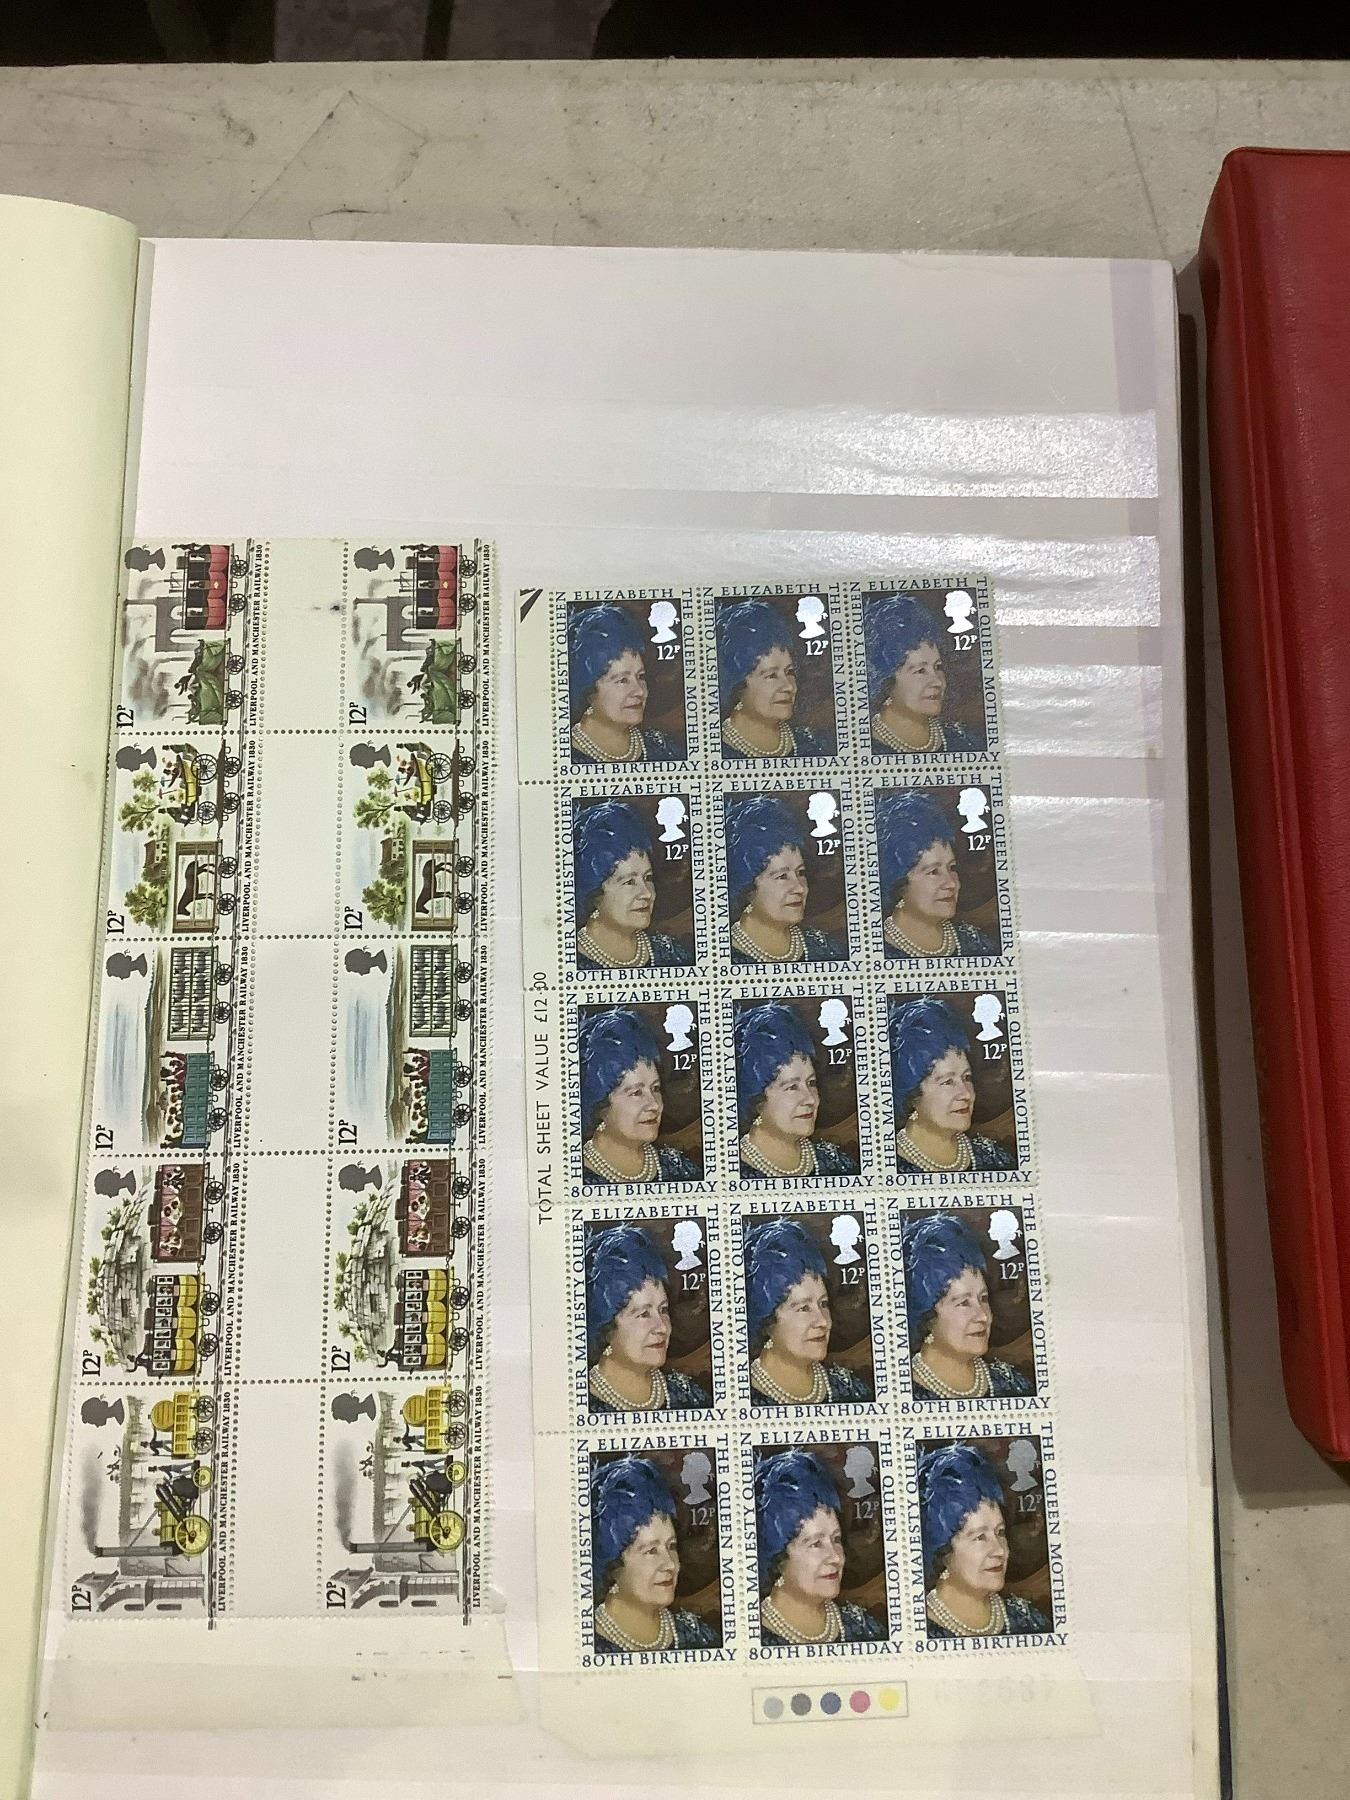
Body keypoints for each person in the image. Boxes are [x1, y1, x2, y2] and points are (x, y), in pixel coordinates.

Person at [917, 1443, 1050, 1639]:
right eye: (980, 1537)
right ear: (943, 1551)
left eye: (1000, 1532)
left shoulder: (1028, 1619)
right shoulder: (917, 1631)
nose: (1000, 1551)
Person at [753, 1449, 885, 1645]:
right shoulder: (750, 1640)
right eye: (816, 1544)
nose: (836, 1558)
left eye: (836, 1539)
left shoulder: (864, 1627)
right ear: (777, 1557)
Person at [591, 1456, 720, 1653]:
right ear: (613, 1563)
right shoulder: (586, 1645)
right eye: (652, 1551)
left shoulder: (698, 1635)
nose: (671, 1565)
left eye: (672, 1546)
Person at [902, 1213, 1032, 1400]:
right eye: (964, 1303)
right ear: (928, 1316)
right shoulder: (903, 1392)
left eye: (983, 1298)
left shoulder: (1011, 1383)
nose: (983, 1316)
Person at [745, 1217, 872, 1404]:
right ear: (767, 1320)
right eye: (804, 1308)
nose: (823, 1321)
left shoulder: (850, 1389)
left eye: (823, 1304)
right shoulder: (741, 1397)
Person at [585, 1223, 710, 1411]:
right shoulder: (578, 1404)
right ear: (607, 1327)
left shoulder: (690, 1395)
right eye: (644, 1314)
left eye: (663, 1310)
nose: (662, 1328)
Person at [889, 997, 1015, 1175]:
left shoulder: (994, 1158)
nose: (966, 1094)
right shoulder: (889, 1166)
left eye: (967, 1077)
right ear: (912, 1093)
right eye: (948, 1082)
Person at [735, 1002, 859, 1179]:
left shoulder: (837, 1163)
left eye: (812, 1083)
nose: (811, 1099)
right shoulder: (732, 1170)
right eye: (792, 1087)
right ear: (757, 1098)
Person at [579, 1009, 700, 1185]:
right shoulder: (575, 1176)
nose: (654, 1105)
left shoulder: (679, 1168)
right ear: (601, 1104)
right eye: (636, 1093)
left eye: (655, 1088)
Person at [875, 790, 996, 961]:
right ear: (899, 881)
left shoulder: (976, 942)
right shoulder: (876, 951)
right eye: (934, 872)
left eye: (952, 868)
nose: (951, 884)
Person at [725, 794, 845, 964]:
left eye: (800, 873)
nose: (800, 888)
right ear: (748, 887)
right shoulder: (723, 955)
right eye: (782, 876)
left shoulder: (825, 948)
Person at [573, 800, 691, 968]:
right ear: (595, 893)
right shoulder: (569, 961)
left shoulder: (671, 953)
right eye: (629, 882)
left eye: (648, 878)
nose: (647, 893)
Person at [864, 593, 983, 755]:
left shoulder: (964, 741)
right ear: (885, 679)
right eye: (920, 671)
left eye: (938, 667)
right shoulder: (865, 748)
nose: (938, 682)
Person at [568, 603, 680, 763]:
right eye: (623, 680)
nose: (639, 691)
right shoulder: (566, 756)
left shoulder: (662, 747)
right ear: (589, 689)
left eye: (641, 676)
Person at [716, 598, 828, 758]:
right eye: (772, 675)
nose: (789, 687)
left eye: (789, 672)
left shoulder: (810, 745)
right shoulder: (716, 750)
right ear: (738, 684)